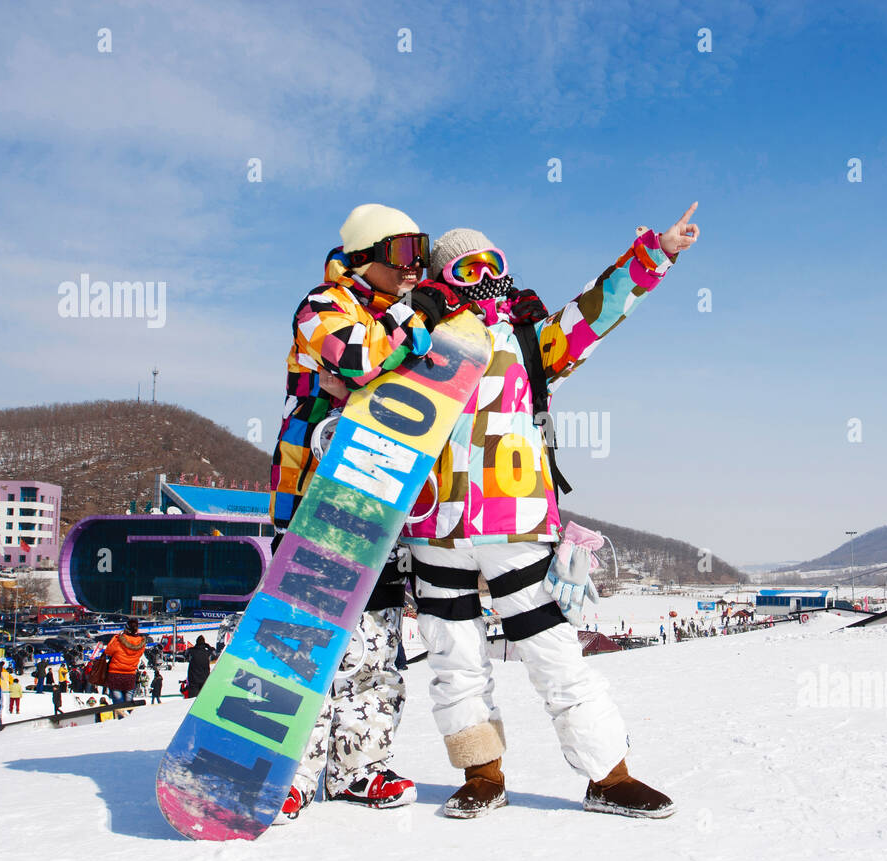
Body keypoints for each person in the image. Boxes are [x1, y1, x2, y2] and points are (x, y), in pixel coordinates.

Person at [402, 205, 698, 820]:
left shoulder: (529, 340)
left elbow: (596, 312)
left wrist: (655, 254)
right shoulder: (412, 342)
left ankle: (608, 775)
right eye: (466, 266)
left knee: (553, 652)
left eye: (493, 263)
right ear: (440, 277)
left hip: (511, 519)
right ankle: (481, 775)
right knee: (453, 658)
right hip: (432, 521)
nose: (482, 277)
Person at [267, 204, 452, 822]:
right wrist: (410, 323)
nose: (413, 268)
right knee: (309, 638)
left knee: (373, 645)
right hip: (317, 501)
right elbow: (357, 357)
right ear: (365, 255)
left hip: (380, 502)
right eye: (402, 253)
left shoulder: (395, 318)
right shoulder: (323, 306)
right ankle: (289, 768)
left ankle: (357, 767)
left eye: (420, 254)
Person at [101, 618, 146, 712]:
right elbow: (140, 653)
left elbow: (108, 651)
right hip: (130, 676)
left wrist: (117, 637)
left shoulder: (118, 640)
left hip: (115, 675)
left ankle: (121, 720)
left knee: (118, 705)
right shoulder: (141, 642)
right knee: (129, 703)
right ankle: (130, 720)